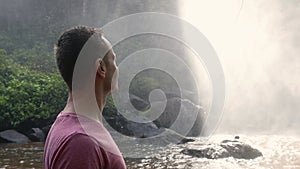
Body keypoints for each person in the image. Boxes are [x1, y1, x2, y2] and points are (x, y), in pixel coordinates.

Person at [43, 26, 126, 169]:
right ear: (101, 68)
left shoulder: (68, 125)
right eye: (113, 60)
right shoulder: (81, 142)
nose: (117, 68)